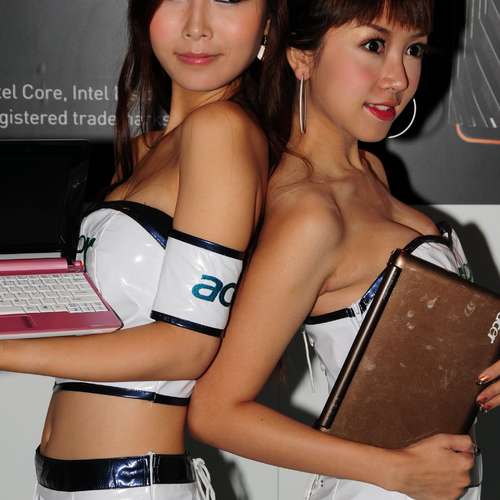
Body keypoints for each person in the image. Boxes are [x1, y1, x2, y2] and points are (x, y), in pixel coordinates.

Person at [189, 0, 490, 498]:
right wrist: (394, 470)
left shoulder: (369, 171)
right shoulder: (310, 216)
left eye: (413, 50)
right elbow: (215, 412)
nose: (398, 78)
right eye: (373, 45)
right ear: (302, 57)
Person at [0, 0, 278, 498]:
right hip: (66, 482)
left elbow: (186, 348)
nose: (196, 26)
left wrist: (7, 352)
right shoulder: (146, 148)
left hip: (131, 484)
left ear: (269, 23)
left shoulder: (222, 131)